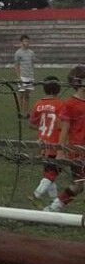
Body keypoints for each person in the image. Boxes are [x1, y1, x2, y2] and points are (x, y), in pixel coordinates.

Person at [46, 65, 85, 213]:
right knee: (79, 185)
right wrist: (60, 151)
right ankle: (53, 208)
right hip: (78, 151)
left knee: (79, 186)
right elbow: (64, 129)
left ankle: (54, 207)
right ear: (79, 82)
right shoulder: (70, 104)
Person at [30, 76, 64, 202]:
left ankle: (53, 201)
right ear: (58, 89)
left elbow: (32, 124)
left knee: (49, 171)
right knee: (53, 172)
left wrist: (42, 128)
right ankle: (36, 195)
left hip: (43, 143)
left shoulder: (38, 104)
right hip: (56, 144)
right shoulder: (61, 105)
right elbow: (62, 126)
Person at [15, 35, 36, 117]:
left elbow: (32, 64)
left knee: (27, 95)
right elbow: (16, 65)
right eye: (25, 41)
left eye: (28, 41)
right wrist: (18, 76)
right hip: (22, 76)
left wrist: (32, 75)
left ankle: (26, 112)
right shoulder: (18, 53)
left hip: (30, 76)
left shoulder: (31, 53)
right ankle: (20, 111)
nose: (26, 43)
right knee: (21, 94)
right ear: (21, 42)